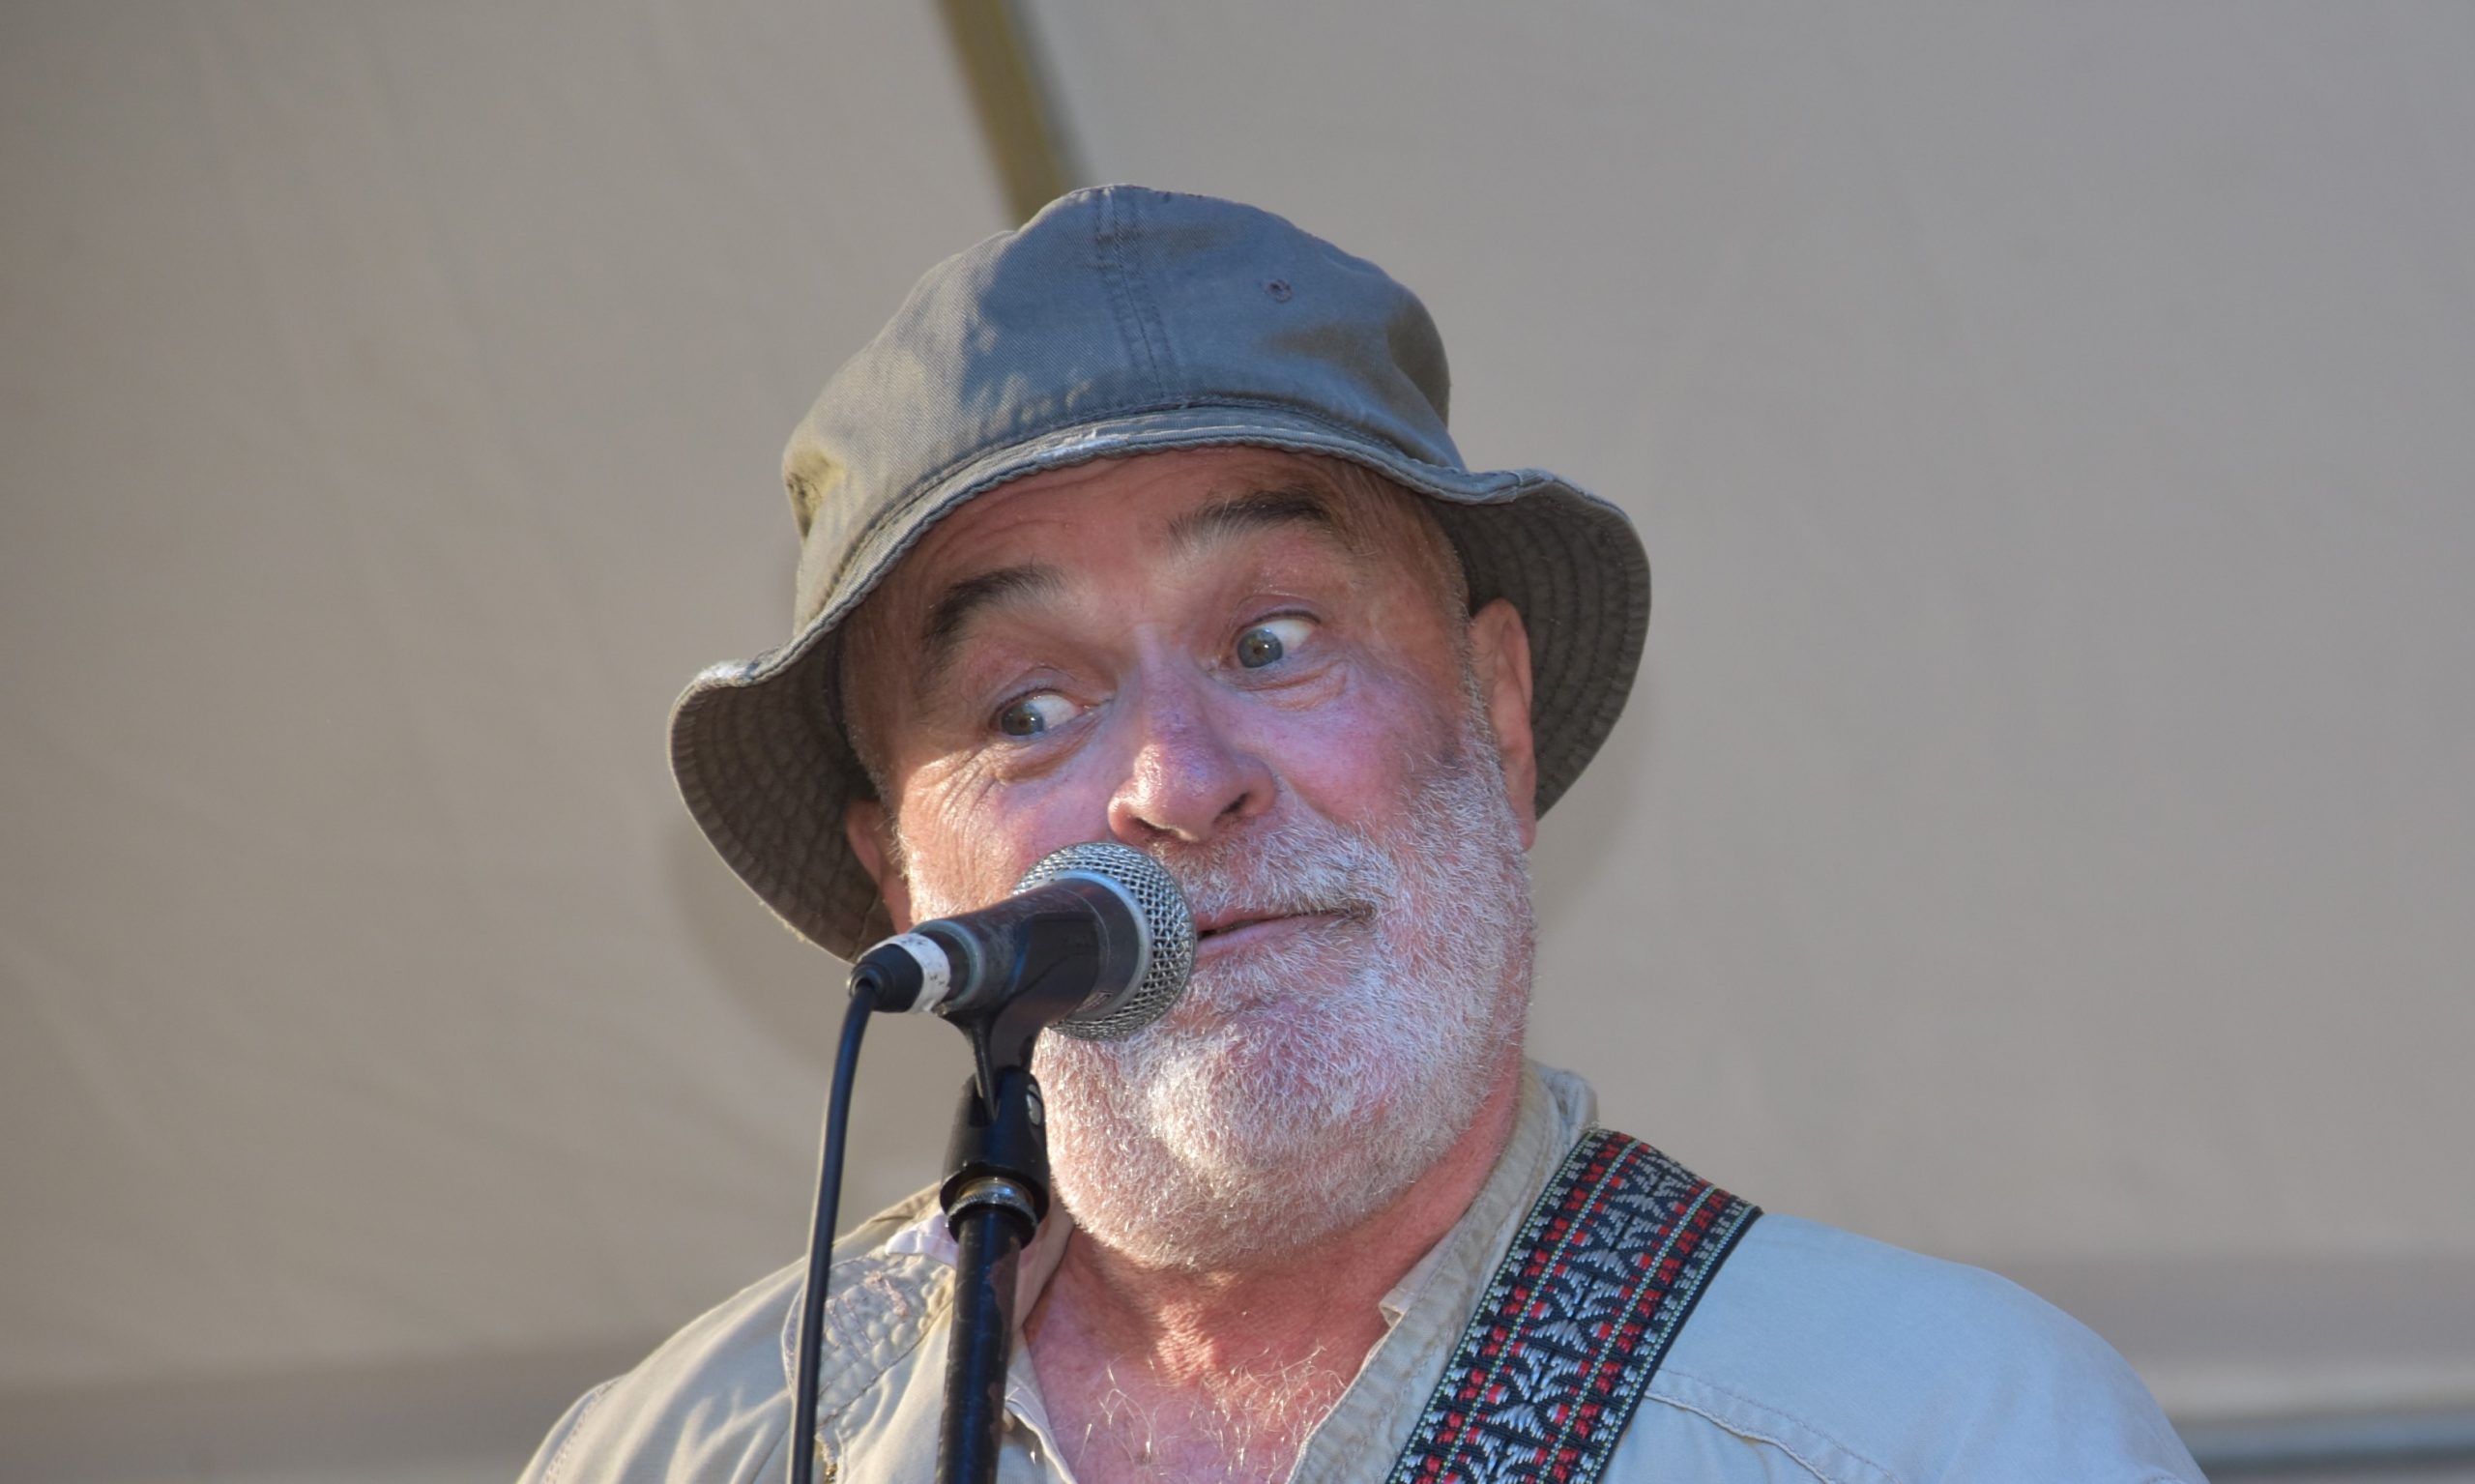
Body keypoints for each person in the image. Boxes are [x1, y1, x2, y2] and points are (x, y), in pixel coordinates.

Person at [522, 187, 2204, 1483]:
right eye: (1029, 709)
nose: (1178, 781)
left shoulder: (1949, 1436)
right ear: (901, 878)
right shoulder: (667, 1456)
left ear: (1500, 713)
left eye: (1272, 641)